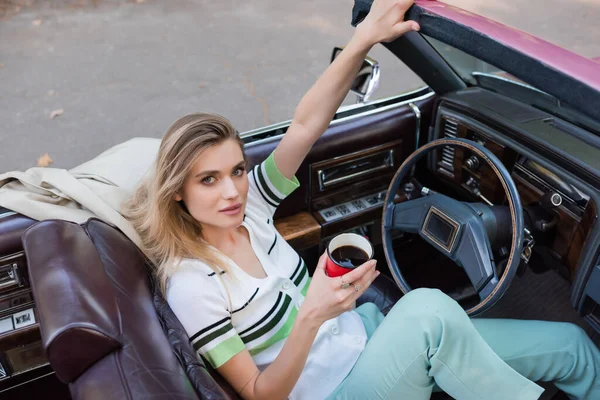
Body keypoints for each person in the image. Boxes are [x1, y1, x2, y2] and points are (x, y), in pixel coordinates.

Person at [124, 0, 600, 399]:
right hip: (335, 390)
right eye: (208, 180)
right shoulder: (191, 285)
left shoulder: (252, 210)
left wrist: (364, 39)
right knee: (427, 313)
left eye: (236, 171)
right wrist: (311, 315)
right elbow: (257, 393)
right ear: (179, 193)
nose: (230, 190)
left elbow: (307, 124)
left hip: (367, 335)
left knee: (571, 346)